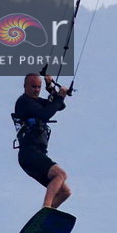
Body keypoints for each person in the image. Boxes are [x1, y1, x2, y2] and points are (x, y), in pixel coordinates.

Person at [14, 73, 72, 209]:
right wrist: (60, 96)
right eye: (33, 86)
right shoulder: (24, 102)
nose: (36, 90)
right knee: (60, 174)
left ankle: (45, 217)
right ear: (25, 86)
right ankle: (46, 207)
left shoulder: (37, 101)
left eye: (39, 87)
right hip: (29, 153)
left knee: (65, 192)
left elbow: (59, 106)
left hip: (38, 154)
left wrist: (50, 87)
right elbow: (44, 114)